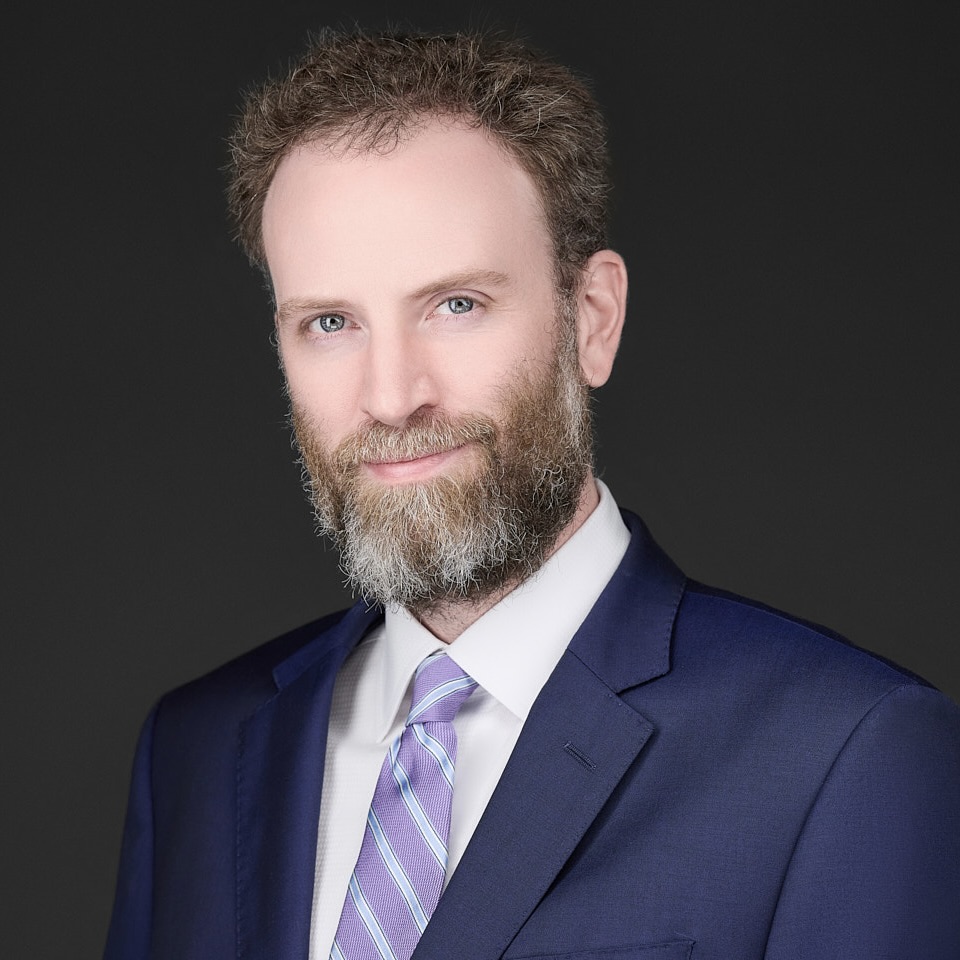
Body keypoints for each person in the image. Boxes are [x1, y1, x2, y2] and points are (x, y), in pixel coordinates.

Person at [104, 30, 960, 960]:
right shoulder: (196, 749)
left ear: (592, 320)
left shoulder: (845, 756)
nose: (392, 396)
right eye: (331, 322)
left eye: (456, 305)